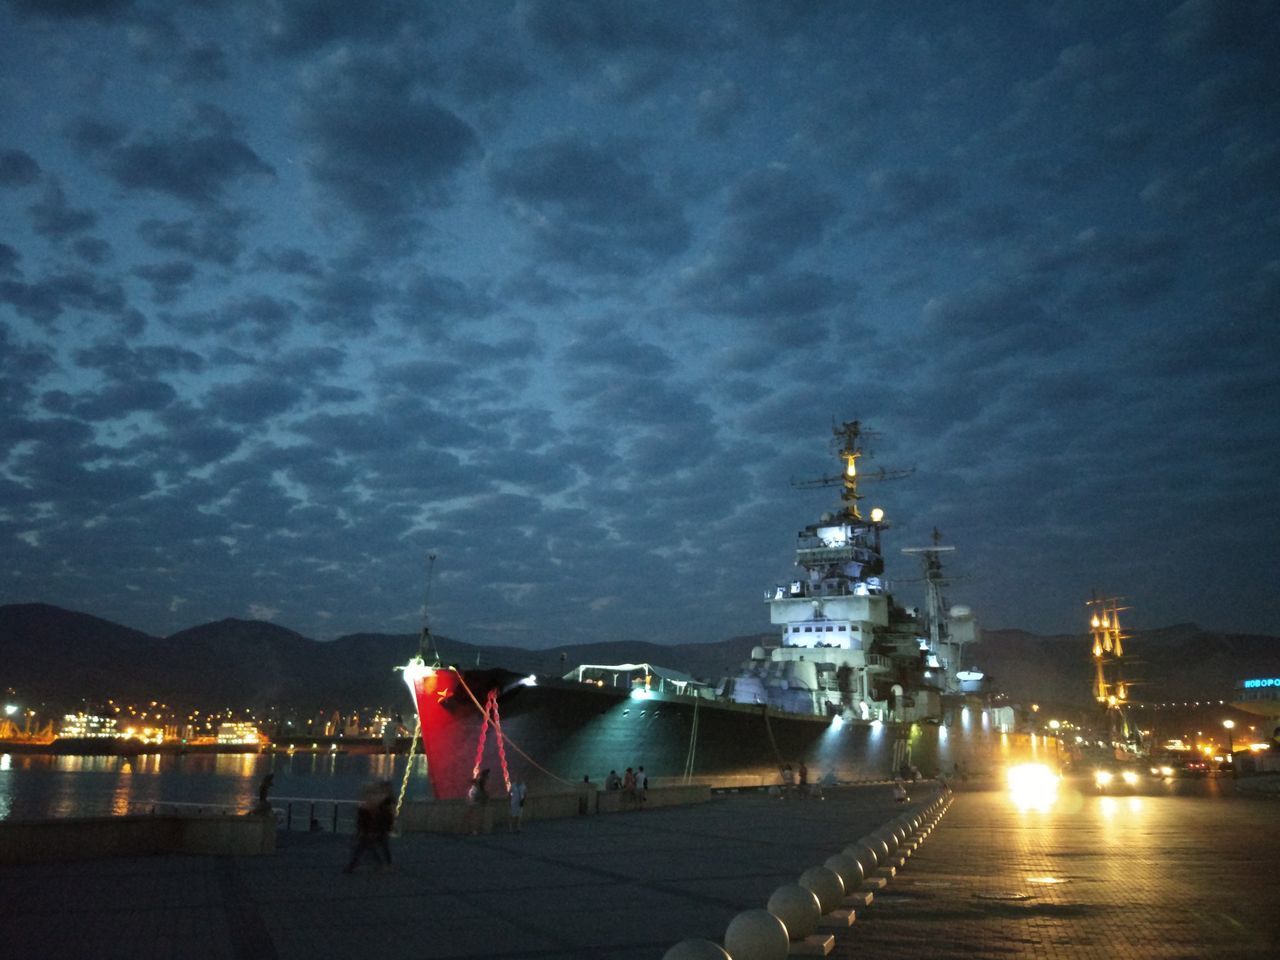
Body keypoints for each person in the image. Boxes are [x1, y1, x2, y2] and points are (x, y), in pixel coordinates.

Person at [344, 782, 387, 873]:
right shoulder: (375, 803)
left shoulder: (370, 805)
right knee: (367, 848)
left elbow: (369, 817)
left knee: (362, 848)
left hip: (368, 831)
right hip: (369, 831)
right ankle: (380, 864)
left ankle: (352, 866)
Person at [464, 768, 489, 835]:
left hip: (473, 800)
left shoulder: (479, 781)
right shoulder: (480, 781)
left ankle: (470, 829)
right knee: (475, 816)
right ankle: (473, 830)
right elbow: (481, 790)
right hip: (475, 800)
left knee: (471, 815)